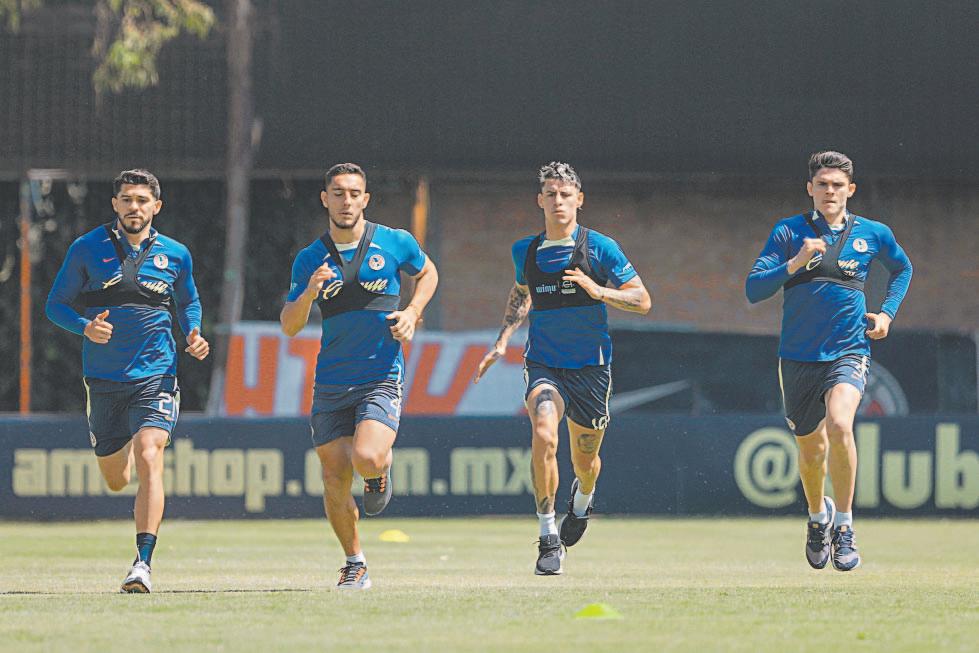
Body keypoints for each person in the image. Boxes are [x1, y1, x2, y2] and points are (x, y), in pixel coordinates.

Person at [474, 162, 651, 575]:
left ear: (579, 200)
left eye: (566, 194)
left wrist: (597, 290)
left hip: (591, 368)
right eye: (551, 194)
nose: (558, 201)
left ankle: (582, 500)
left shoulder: (600, 248)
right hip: (544, 364)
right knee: (543, 432)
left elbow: (643, 300)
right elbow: (521, 293)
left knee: (586, 463)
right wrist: (501, 340)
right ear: (540, 200)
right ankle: (548, 536)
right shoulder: (525, 251)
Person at [746, 151, 912, 572]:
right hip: (798, 356)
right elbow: (753, 289)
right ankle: (817, 517)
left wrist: (887, 314)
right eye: (822, 184)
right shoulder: (789, 231)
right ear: (810, 189)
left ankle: (845, 525)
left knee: (840, 425)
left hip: (849, 350)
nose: (830, 191)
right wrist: (795, 263)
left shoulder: (872, 233)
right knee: (811, 450)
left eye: (838, 185)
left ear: (850, 190)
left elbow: (902, 269)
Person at [46, 169, 210, 593]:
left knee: (149, 453)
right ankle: (126, 453)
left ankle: (142, 564)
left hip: (157, 374)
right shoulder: (87, 248)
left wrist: (193, 331)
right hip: (104, 380)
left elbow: (188, 301)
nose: (134, 207)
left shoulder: (176, 253)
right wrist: (85, 327)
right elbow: (55, 305)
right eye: (127, 199)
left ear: (156, 206)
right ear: (115, 204)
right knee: (117, 478)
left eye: (142, 200)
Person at [280, 163, 438, 590]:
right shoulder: (310, 259)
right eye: (338, 193)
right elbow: (290, 325)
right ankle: (355, 563)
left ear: (365, 199)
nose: (346, 201)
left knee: (365, 457)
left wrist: (412, 312)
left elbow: (428, 272)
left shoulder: (394, 242)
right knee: (334, 477)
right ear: (325, 199)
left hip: (380, 376)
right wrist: (309, 293)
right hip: (331, 382)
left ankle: (379, 471)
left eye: (354, 193)